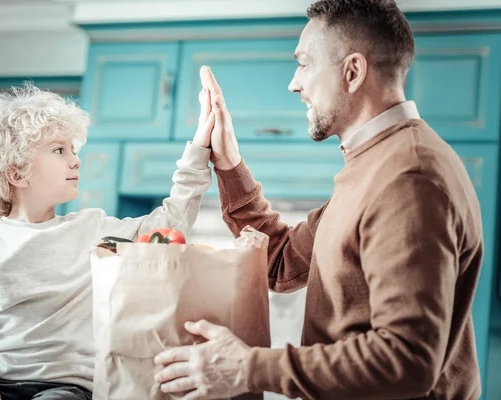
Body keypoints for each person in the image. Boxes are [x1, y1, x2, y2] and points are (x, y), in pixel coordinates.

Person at [154, 0, 483, 399]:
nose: (295, 83)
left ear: (353, 71)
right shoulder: (375, 163)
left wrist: (246, 367)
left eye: (305, 64)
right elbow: (281, 261)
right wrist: (229, 163)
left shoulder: (408, 177)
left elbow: (406, 359)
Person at [0, 80, 216, 400]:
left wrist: (199, 149)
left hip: (64, 390)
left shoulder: (94, 228)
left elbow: (169, 224)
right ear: (17, 174)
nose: (75, 160)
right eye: (59, 150)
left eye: (73, 149)